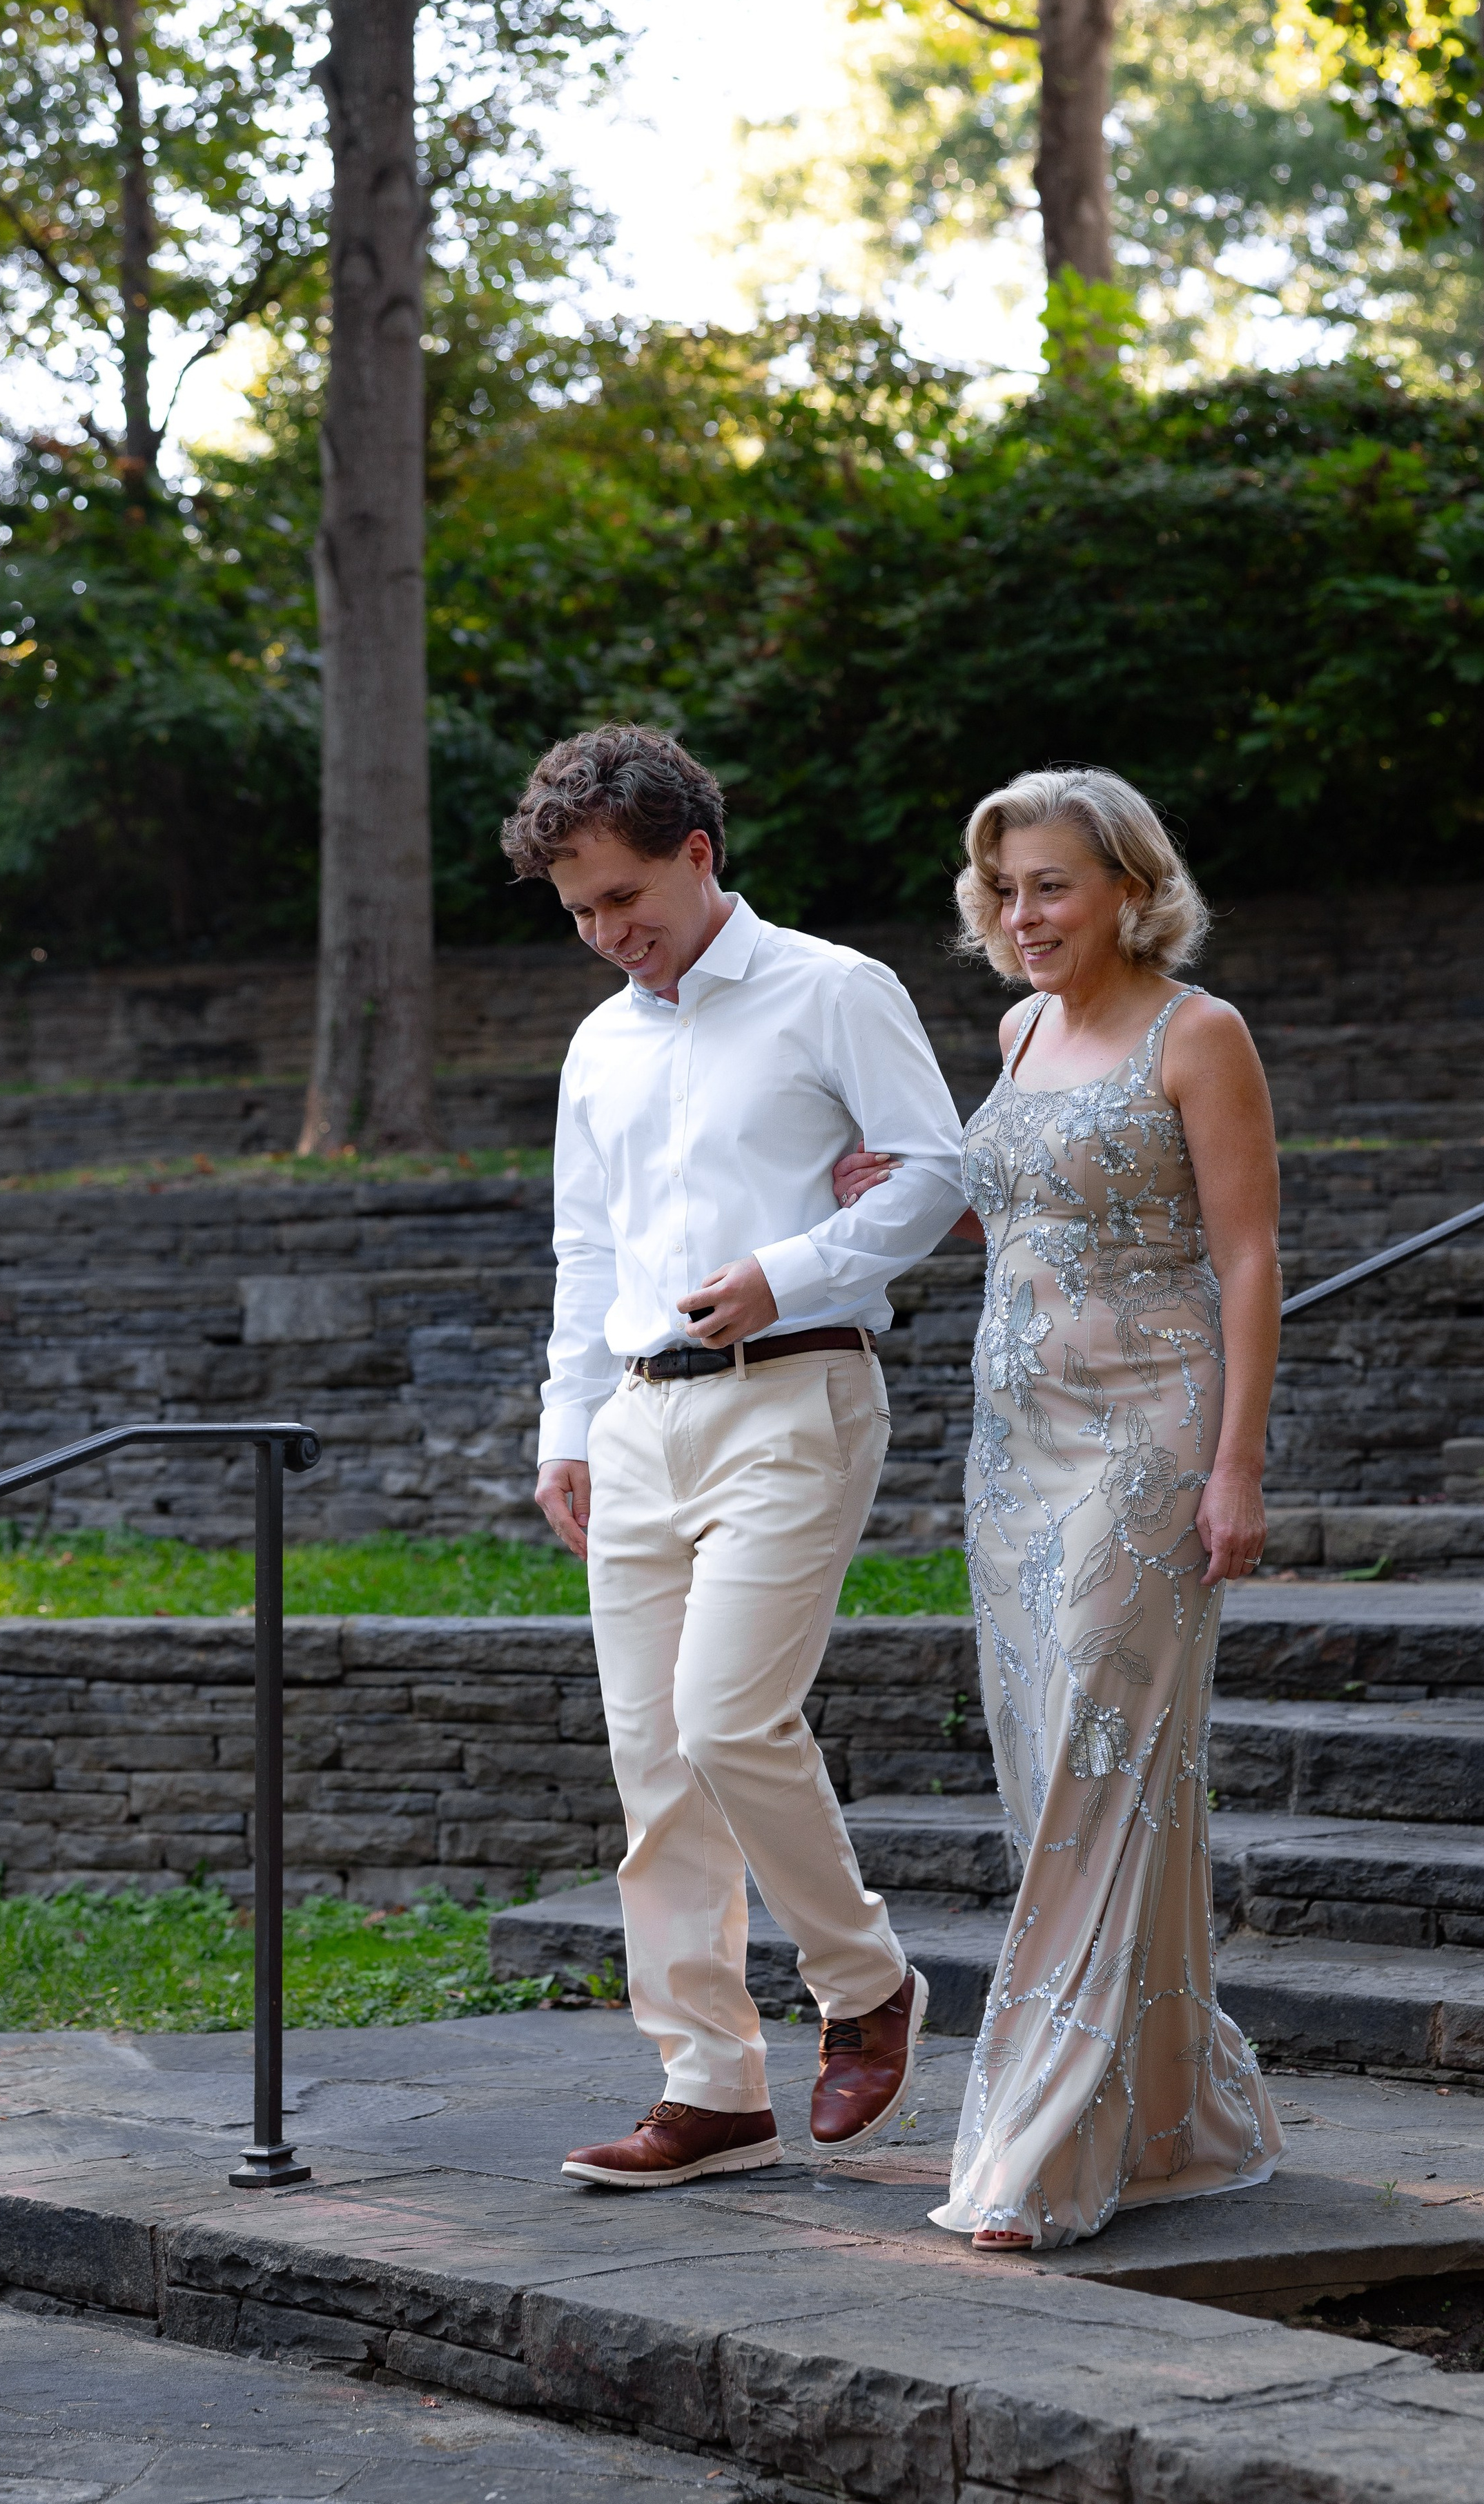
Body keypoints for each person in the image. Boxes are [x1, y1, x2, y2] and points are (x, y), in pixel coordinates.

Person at [501, 721, 968, 2192]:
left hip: (794, 1391)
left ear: (698, 853)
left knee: (724, 1717)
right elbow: (584, 1245)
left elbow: (937, 1166)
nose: (606, 934)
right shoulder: (598, 1039)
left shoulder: (834, 989)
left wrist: (791, 1267)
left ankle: (865, 1983)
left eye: (624, 896)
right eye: (579, 912)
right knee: (654, 1765)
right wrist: (564, 1423)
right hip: (636, 1418)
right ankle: (706, 2085)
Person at [834, 765, 1284, 2249]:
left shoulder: (1196, 1031)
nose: (1021, 915)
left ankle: (1038, 2144)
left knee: (1103, 1754)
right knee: (1054, 1776)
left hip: (1145, 1440)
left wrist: (1235, 1463)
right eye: (1003, 889)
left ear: (1128, 888)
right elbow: (1027, 1194)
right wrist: (925, 1187)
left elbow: (1244, 1258)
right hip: (1010, 1449)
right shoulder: (1018, 1030)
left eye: (1050, 884)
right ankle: (1159, 2116)